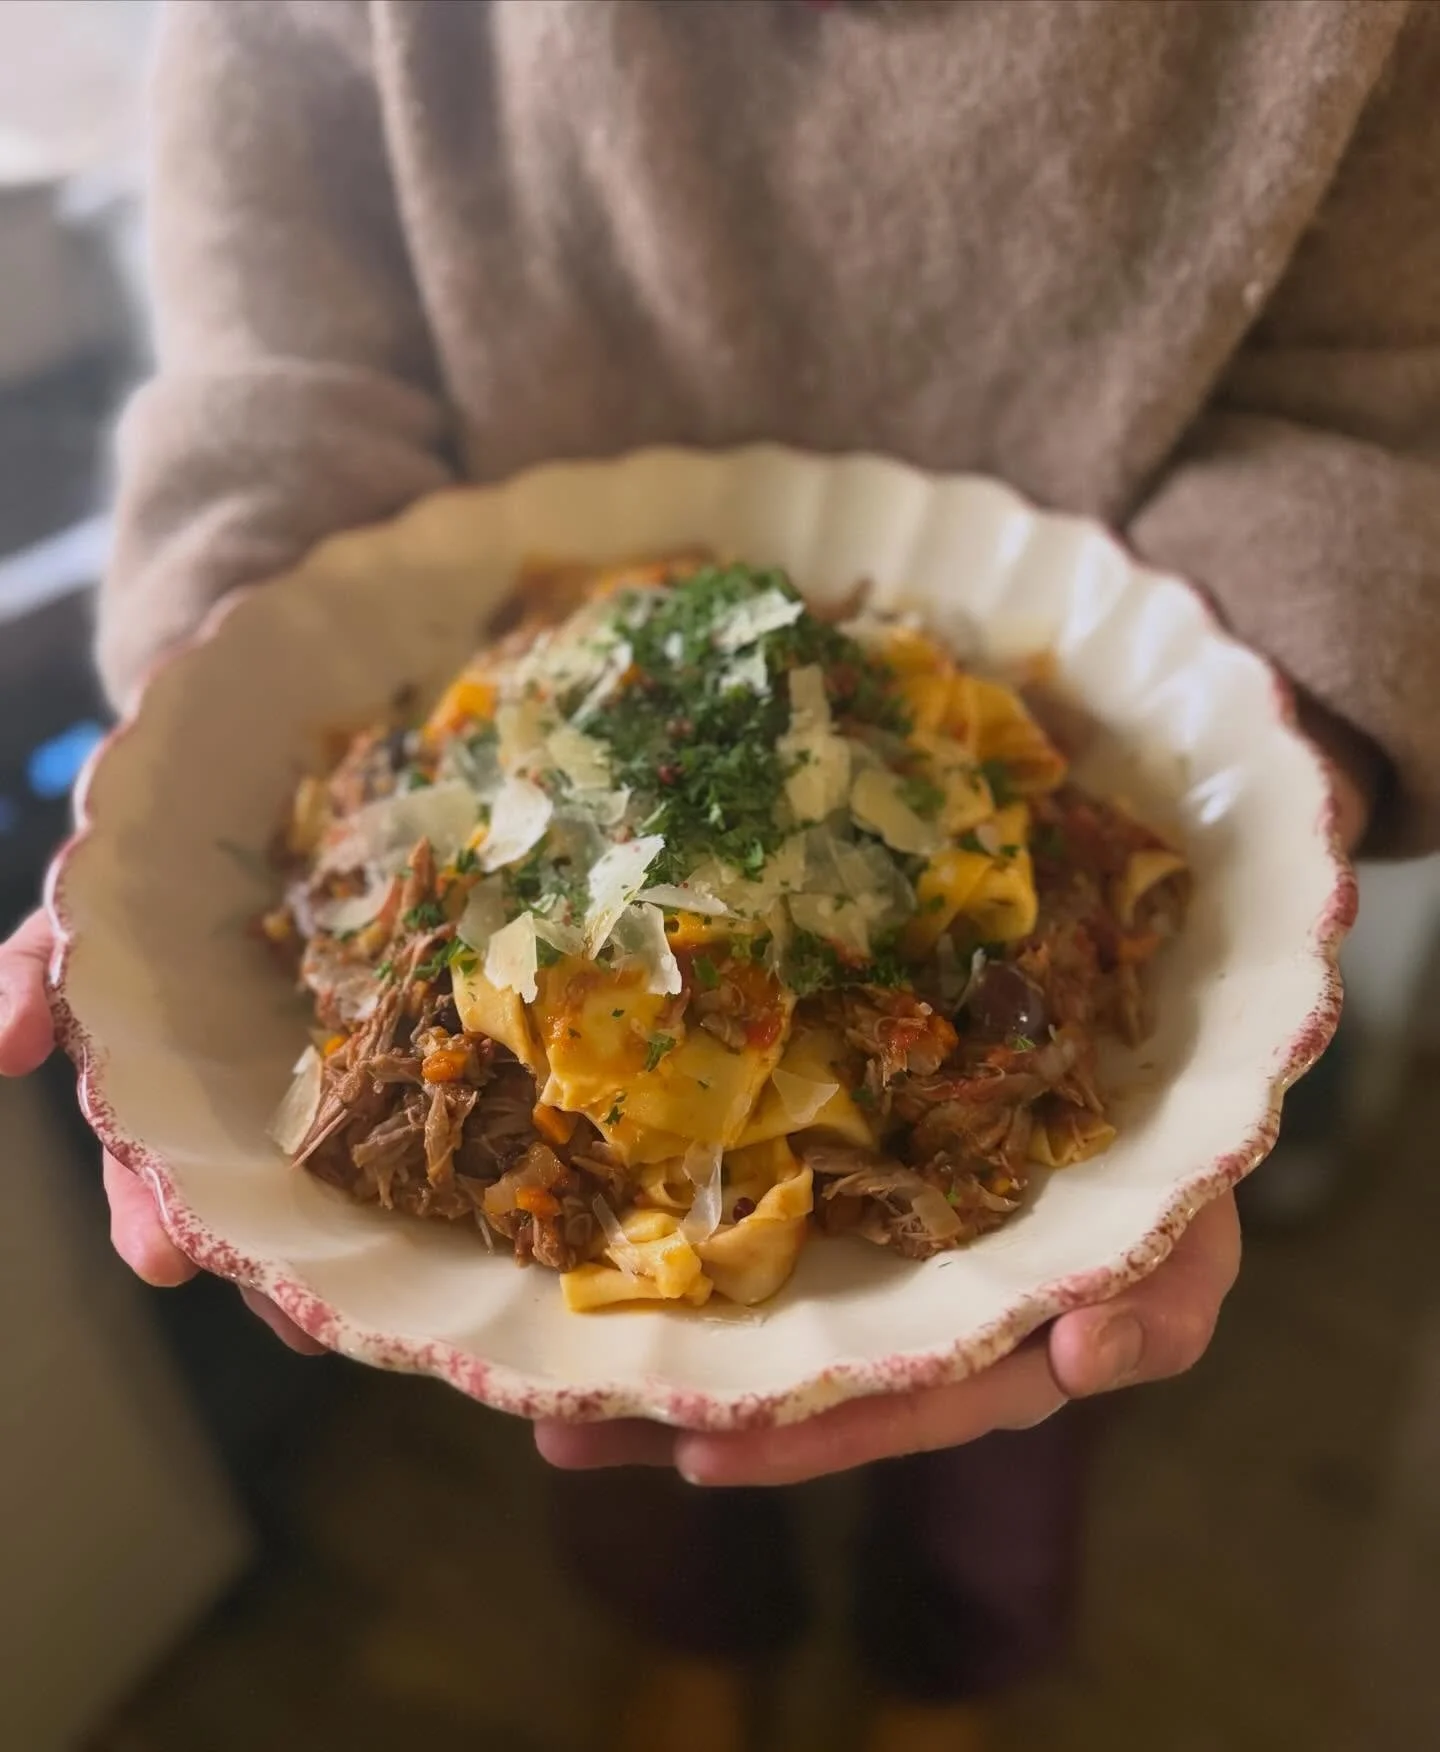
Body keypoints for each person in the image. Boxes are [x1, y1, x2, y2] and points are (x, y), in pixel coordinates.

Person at [0, 2, 1434, 1747]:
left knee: (1026, 1427)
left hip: (1019, 718)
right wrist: (255, 617)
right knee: (613, 1438)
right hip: (528, 755)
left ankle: (942, 1682)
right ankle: (694, 1644)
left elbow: (1376, 411)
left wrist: (1269, 730)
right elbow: (279, 293)